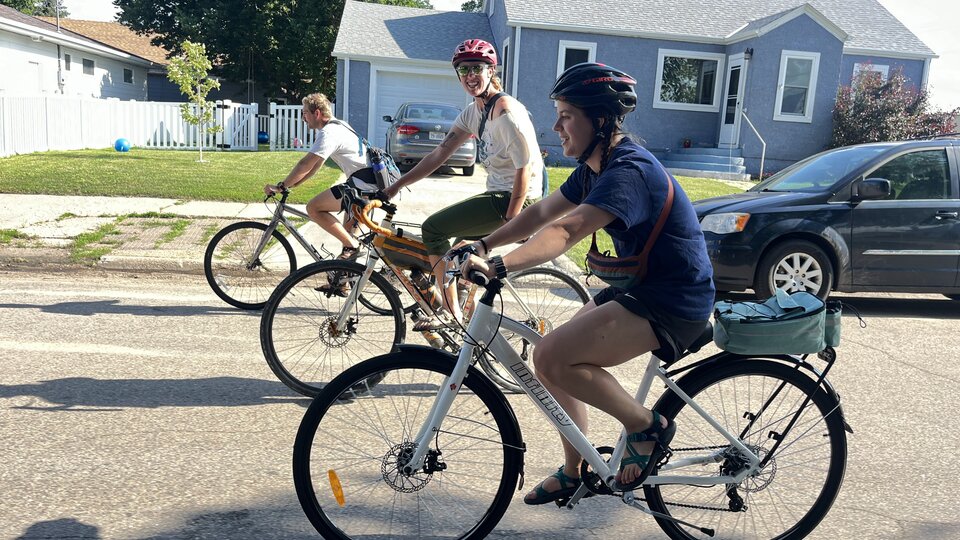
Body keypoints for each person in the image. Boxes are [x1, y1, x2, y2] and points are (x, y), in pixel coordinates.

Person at [456, 63, 715, 504]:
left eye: (566, 115)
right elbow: (540, 215)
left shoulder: (629, 171)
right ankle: (576, 470)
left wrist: (500, 266)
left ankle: (647, 426)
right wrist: (482, 243)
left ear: (599, 120)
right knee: (552, 358)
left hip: (674, 298)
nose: (556, 126)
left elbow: (565, 231)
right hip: (644, 286)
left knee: (553, 355)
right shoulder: (597, 165)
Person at [382, 38, 544, 330]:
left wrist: (513, 219)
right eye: (463, 70)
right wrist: (397, 185)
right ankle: (468, 317)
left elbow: (526, 166)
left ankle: (450, 314)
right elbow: (441, 152)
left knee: (433, 229)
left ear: (491, 71)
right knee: (458, 253)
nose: (470, 76)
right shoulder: (475, 111)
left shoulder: (506, 113)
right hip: (500, 196)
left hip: (513, 200)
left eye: (477, 69)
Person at [264, 93, 377, 262]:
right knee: (348, 244)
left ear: (316, 113)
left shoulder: (329, 132)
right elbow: (315, 167)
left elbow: (305, 163)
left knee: (314, 208)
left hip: (363, 187)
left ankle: (353, 249)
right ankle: (343, 286)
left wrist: (280, 187)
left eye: (305, 113)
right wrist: (292, 185)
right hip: (366, 185)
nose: (303, 118)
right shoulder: (340, 126)